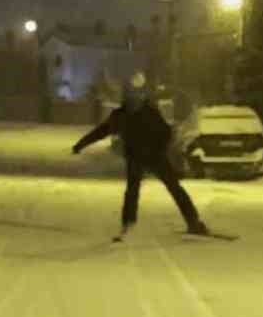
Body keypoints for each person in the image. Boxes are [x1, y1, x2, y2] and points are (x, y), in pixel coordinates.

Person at [72, 72, 210, 240]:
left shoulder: (146, 112)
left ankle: (191, 221)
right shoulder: (124, 115)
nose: (134, 101)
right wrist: (81, 144)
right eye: (132, 97)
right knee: (137, 190)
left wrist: (162, 147)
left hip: (152, 156)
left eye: (136, 97)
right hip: (140, 158)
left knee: (170, 187)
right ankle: (129, 223)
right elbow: (101, 131)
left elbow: (165, 132)